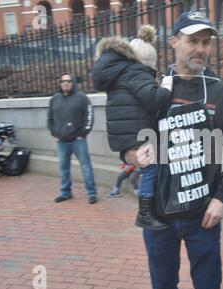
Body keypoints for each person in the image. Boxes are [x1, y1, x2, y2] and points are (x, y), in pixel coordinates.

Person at [124, 11, 223, 289]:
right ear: (173, 42)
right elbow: (127, 138)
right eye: (193, 40)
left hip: (202, 215)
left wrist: (222, 199)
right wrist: (132, 155)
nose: (201, 49)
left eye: (206, 42)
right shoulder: (151, 89)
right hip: (158, 215)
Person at [92, 25, 173, 230]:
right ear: (148, 64)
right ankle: (145, 212)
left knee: (147, 166)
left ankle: (148, 208)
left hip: (126, 131)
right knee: (151, 167)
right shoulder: (137, 72)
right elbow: (154, 100)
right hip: (135, 131)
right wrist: (166, 86)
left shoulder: (120, 74)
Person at [47, 72, 98, 204]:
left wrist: (83, 134)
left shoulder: (82, 98)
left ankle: (92, 194)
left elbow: (89, 117)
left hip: (78, 140)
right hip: (62, 141)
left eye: (69, 81)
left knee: (86, 167)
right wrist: (54, 132)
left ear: (73, 83)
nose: (66, 83)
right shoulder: (54, 99)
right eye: (63, 81)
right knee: (63, 168)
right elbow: (50, 118)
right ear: (60, 84)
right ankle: (65, 192)